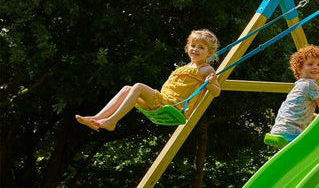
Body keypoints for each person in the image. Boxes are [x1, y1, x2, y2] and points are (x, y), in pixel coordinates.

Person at [75, 29, 220, 131]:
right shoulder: (185, 66)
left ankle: (111, 121)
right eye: (193, 45)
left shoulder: (206, 69)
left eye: (201, 47)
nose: (195, 49)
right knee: (127, 88)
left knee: (138, 87)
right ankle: (97, 118)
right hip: (162, 100)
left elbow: (216, 92)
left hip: (173, 105)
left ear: (210, 53)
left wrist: (211, 82)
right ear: (187, 47)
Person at [267, 45, 319, 143]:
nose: (315, 67)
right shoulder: (310, 84)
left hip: (279, 130)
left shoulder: (299, 85)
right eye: (310, 64)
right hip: (292, 133)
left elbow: (301, 110)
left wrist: (318, 118)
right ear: (299, 68)